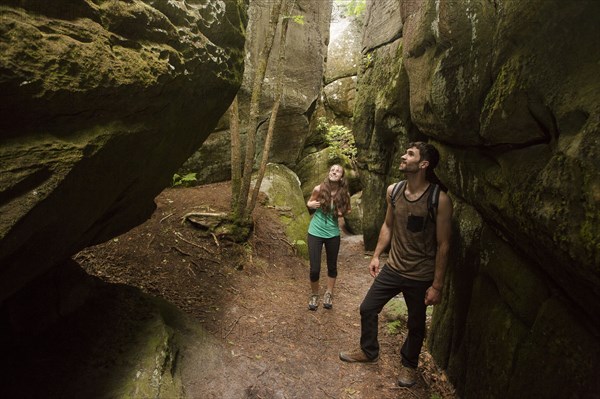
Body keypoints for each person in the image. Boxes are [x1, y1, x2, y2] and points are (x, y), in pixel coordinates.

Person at [339, 142, 453, 388]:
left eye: (410, 154)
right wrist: (377, 255)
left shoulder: (439, 200)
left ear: (423, 164)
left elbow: (444, 244)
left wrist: (437, 285)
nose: (403, 156)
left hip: (420, 275)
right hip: (393, 267)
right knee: (367, 308)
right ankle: (369, 351)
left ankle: (409, 366)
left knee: (415, 323)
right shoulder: (394, 191)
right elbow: (388, 225)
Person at [306, 164, 351, 311]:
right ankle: (314, 294)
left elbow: (348, 210)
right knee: (314, 269)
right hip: (315, 231)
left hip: (333, 234)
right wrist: (313, 204)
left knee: (332, 266)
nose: (334, 172)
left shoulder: (344, 194)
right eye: (332, 170)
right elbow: (309, 203)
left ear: (341, 177)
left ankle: (329, 293)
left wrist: (341, 213)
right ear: (329, 173)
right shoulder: (318, 189)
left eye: (338, 171)